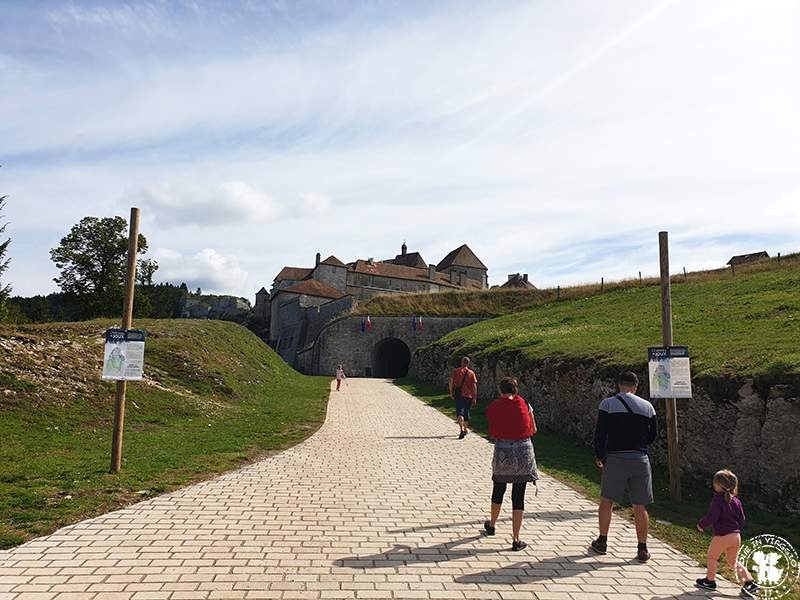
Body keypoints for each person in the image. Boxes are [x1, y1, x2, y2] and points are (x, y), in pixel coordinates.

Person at [591, 371, 657, 562]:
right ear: (636, 387)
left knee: (607, 500)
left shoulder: (608, 404)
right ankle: (642, 548)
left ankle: (602, 541)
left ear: (619, 385)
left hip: (616, 457)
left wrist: (600, 455)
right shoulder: (647, 407)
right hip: (640, 458)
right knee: (640, 505)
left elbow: (600, 433)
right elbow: (653, 435)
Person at [484, 377, 537, 551]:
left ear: (500, 391)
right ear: (516, 390)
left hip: (503, 450)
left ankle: (492, 524)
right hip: (524, 449)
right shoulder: (526, 404)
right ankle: (516, 539)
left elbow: (492, 431)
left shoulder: (495, 406)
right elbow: (533, 429)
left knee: (499, 488)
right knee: (518, 495)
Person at [695, 470, 759, 597]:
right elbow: (742, 518)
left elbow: (712, 516)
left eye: (715, 483)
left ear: (719, 485)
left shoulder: (717, 500)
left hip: (722, 536)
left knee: (712, 557)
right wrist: (736, 529)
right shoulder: (736, 501)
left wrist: (701, 524)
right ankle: (749, 582)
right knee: (733, 561)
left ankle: (710, 581)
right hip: (736, 536)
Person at [449, 357, 478, 439]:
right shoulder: (471, 373)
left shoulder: (456, 371)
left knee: (460, 412)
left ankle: (461, 429)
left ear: (462, 362)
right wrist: (475, 397)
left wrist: (451, 392)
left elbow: (451, 382)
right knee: (466, 412)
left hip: (459, 395)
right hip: (469, 396)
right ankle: (465, 429)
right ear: (468, 363)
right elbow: (474, 386)